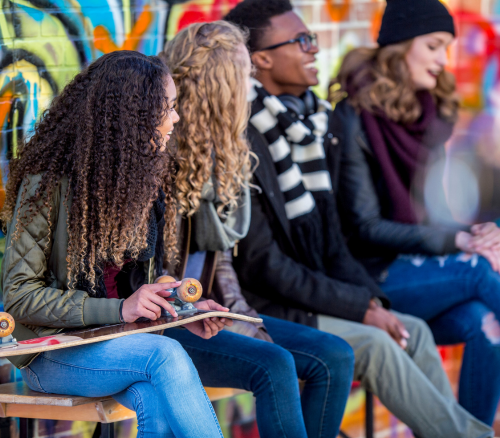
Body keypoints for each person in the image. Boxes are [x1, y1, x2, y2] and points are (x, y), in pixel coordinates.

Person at [225, 1, 494, 437]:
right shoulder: (246, 138)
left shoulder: (313, 124)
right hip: (273, 307)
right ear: (262, 59)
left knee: (416, 331)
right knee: (381, 340)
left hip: (323, 291)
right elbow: (264, 265)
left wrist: (371, 304)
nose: (314, 50)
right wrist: (362, 309)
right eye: (302, 41)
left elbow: (333, 243)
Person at [0, 51, 228, 438]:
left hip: (115, 343)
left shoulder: (139, 180)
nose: (175, 118)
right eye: (167, 108)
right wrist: (119, 308)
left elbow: (134, 290)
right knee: (165, 356)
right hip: (49, 353)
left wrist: (180, 305)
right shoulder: (47, 183)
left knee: (153, 398)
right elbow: (19, 295)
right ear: (130, 116)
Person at [159, 21, 355, 438]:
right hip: (173, 319)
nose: (251, 86)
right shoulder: (165, 154)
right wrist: (231, 321)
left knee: (333, 356)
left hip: (213, 309)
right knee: (276, 364)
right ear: (222, 84)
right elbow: (153, 269)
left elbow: (220, 260)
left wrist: (245, 318)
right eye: (244, 75)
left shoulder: (226, 149)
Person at [334, 0, 500, 426]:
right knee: (481, 271)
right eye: (434, 46)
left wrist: (476, 232)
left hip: (424, 266)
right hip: (373, 276)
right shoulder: (353, 117)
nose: (444, 61)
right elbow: (365, 227)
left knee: (484, 324)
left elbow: (434, 215)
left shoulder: (430, 113)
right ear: (400, 46)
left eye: (447, 47)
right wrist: (461, 242)